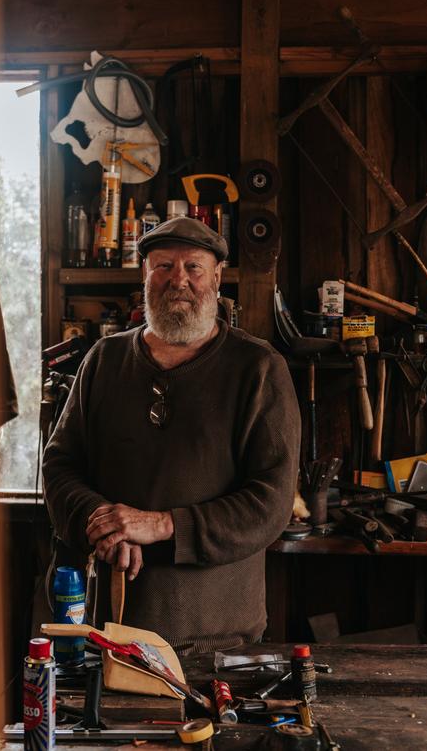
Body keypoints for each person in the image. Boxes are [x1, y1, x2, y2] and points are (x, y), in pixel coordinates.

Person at [42, 216, 300, 653]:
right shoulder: (105, 359)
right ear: (145, 274)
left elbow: (270, 503)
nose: (177, 280)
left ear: (217, 276)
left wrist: (162, 526)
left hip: (216, 636)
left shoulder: (257, 368)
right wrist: (104, 520)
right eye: (163, 266)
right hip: (108, 628)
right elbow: (60, 463)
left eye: (193, 267)